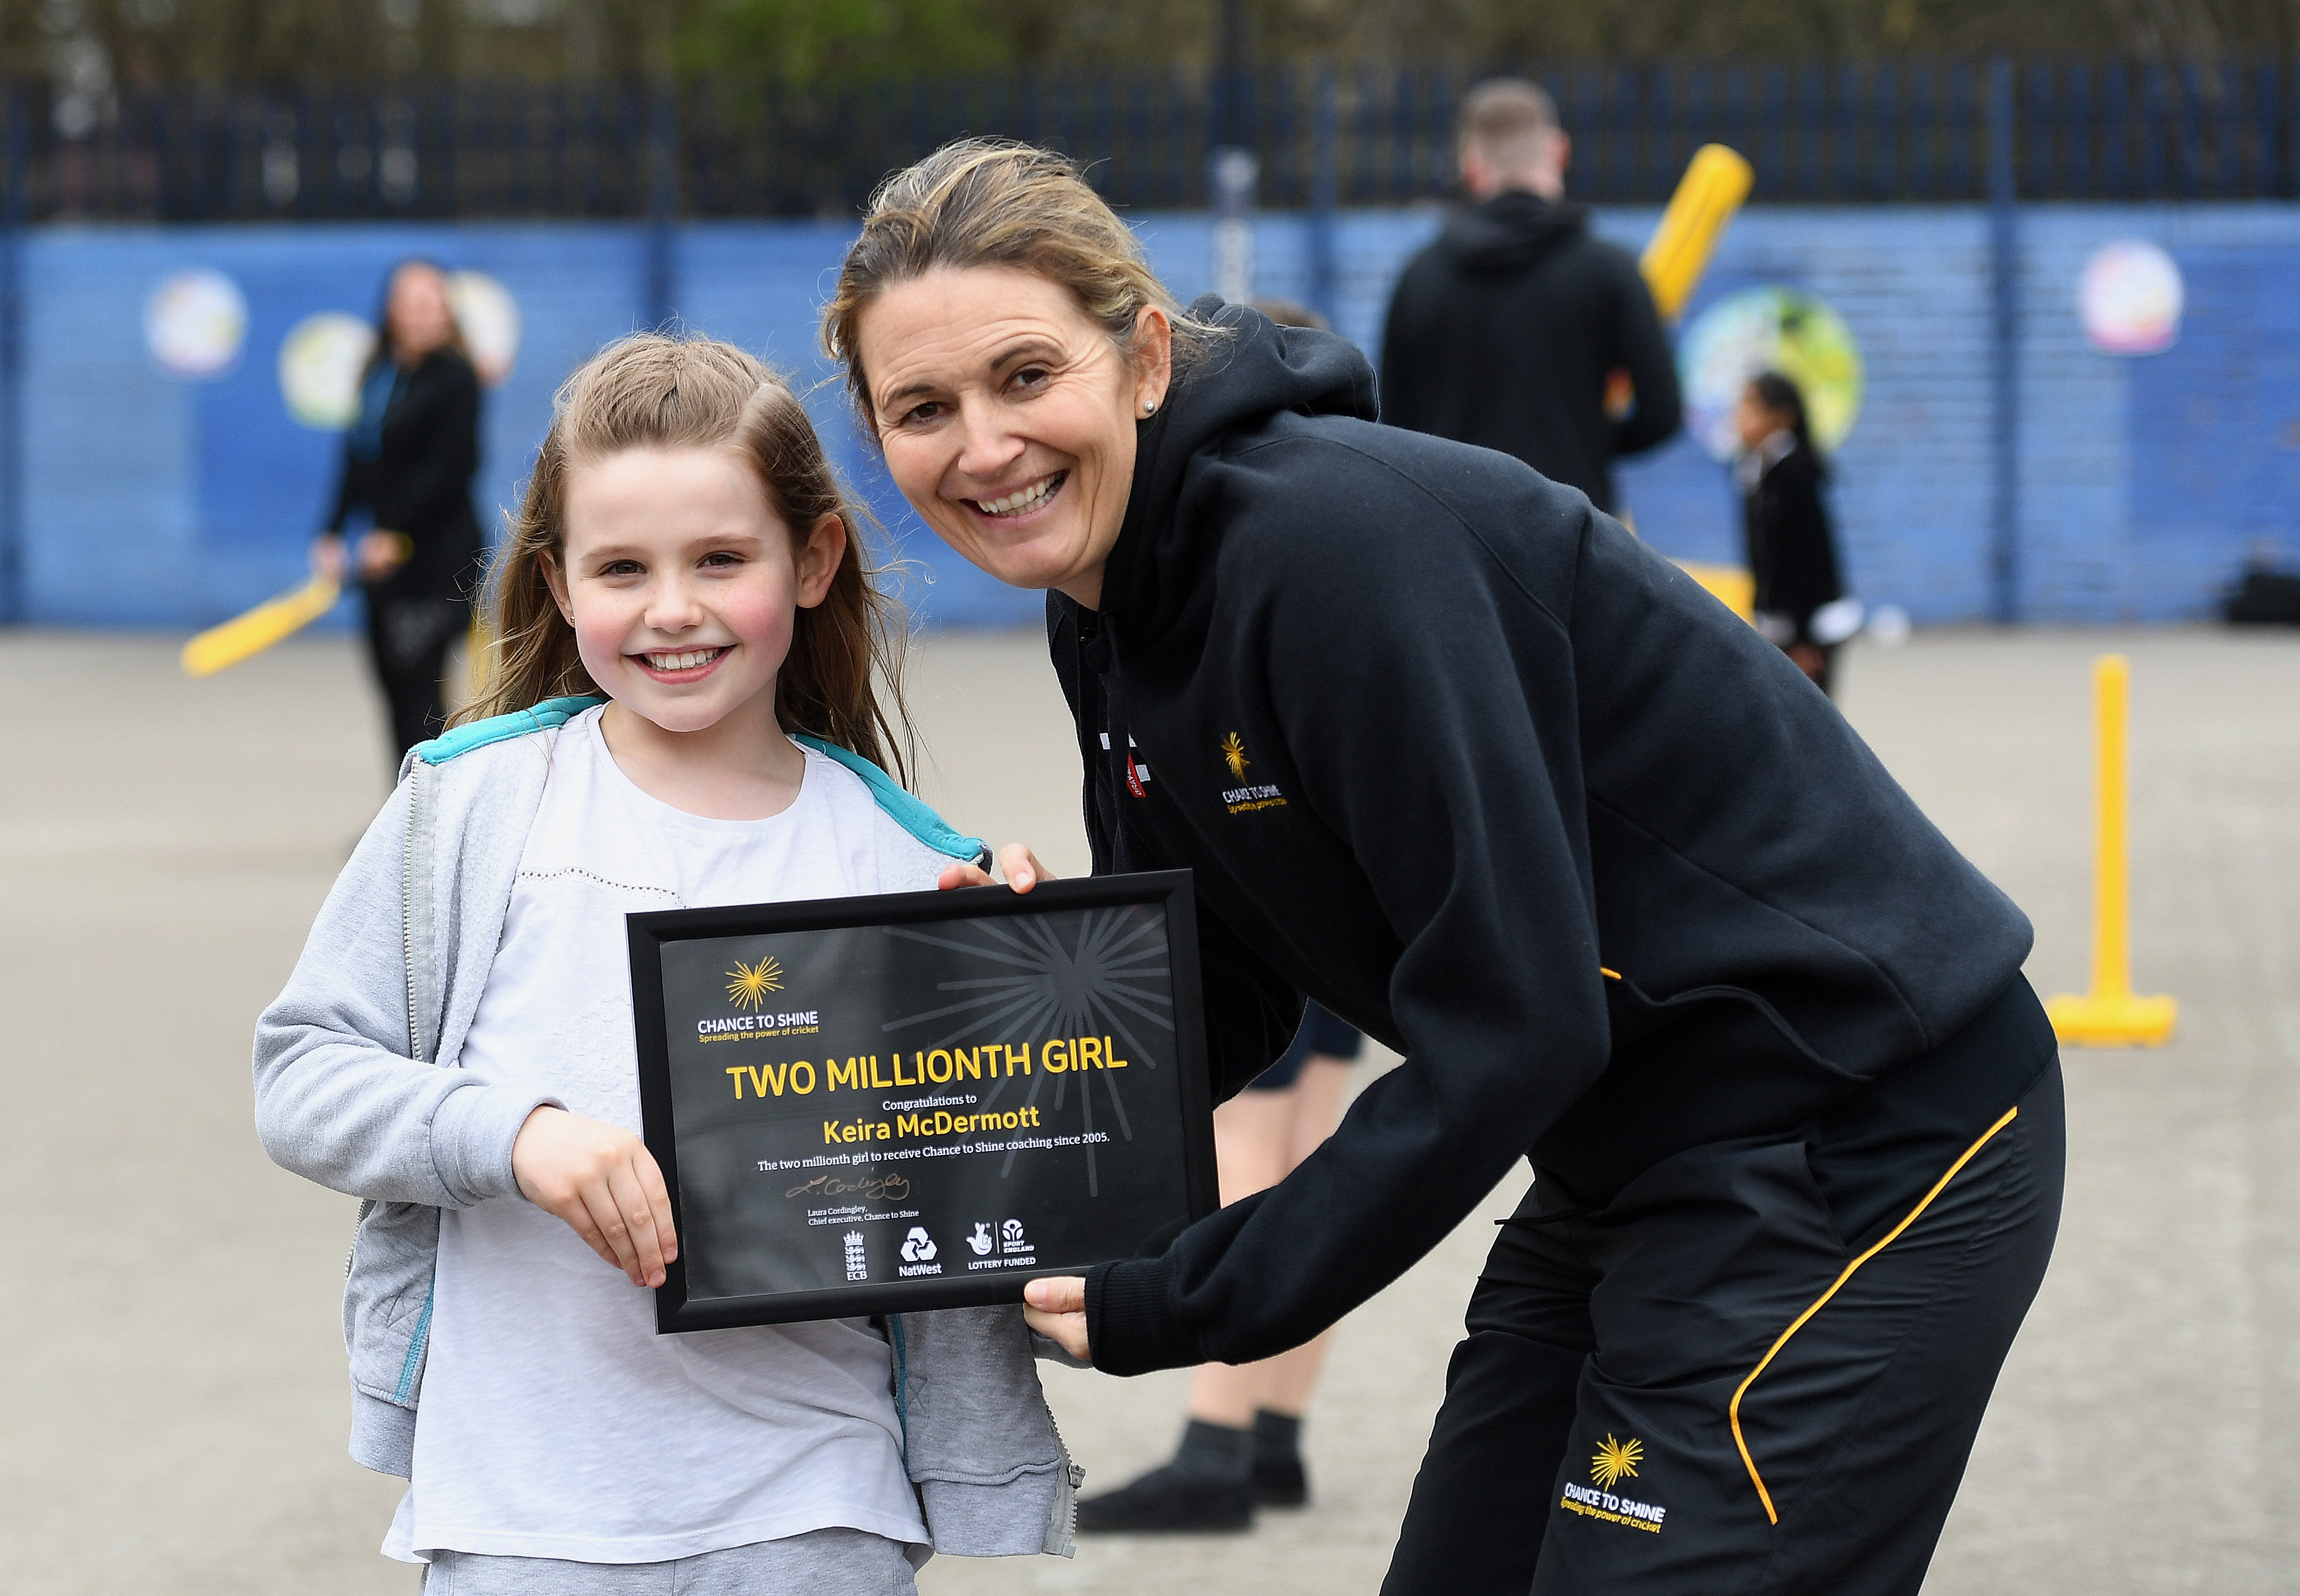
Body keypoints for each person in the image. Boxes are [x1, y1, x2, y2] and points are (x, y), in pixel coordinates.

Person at [821, 139, 2064, 1596]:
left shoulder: (1331, 548)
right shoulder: (1104, 604)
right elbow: (1217, 994)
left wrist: (1194, 1293)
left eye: (1025, 377)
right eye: (922, 409)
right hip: (1627, 1147)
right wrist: (968, 1044)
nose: (982, 447)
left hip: (1862, 1127)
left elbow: (1517, 1019)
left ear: (1145, 358)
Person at [255, 333, 1076, 1592]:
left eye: (719, 558)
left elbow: (1005, 1198)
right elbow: (303, 1074)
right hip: (519, 1513)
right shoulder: (471, 805)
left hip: (814, 1505)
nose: (672, 607)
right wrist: (515, 1134)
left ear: (810, 560)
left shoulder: (909, 866)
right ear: (558, 581)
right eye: (622, 567)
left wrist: (1034, 980)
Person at [1079, 292, 1366, 1536]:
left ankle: (1214, 1435)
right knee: (1305, 1136)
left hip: (1271, 896)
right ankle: (1275, 1433)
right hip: (1356, 922)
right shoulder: (1348, 538)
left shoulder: (1234, 573)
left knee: (1251, 1147)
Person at [1378, 78, 1681, 517]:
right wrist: (1587, 443)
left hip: (1456, 535)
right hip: (1574, 531)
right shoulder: (1609, 271)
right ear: (1559, 150)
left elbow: (1396, 428)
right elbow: (1662, 413)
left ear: (1471, 166)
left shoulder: (1419, 278)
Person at [311, 259, 486, 767]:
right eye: (412, 301)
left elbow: (451, 469)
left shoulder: (457, 379)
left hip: (438, 561)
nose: (423, 312)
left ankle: (435, 819)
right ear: (392, 310)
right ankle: (404, 812)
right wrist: (332, 530)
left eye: (434, 301)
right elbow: (358, 456)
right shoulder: (381, 375)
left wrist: (395, 532)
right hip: (381, 566)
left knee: (422, 695)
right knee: (390, 685)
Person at [1736, 371, 1857, 695]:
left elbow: (1811, 558)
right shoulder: (1753, 470)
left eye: (1751, 406)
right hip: (1779, 622)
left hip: (1812, 625)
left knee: (1810, 726)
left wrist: (1805, 640)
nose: (1740, 416)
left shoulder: (1795, 474)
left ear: (1782, 417)